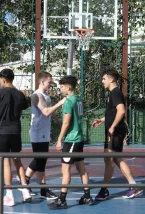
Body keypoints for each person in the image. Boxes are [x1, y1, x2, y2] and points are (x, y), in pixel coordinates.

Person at [92, 68, 143, 200]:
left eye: (104, 79)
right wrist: (102, 120)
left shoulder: (115, 92)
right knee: (109, 159)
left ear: (111, 79)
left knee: (114, 158)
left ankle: (133, 186)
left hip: (115, 130)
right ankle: (104, 190)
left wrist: (113, 126)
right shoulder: (114, 93)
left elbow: (121, 111)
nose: (102, 81)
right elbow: (115, 112)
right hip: (113, 129)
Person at [0, 68, 31, 206]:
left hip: (3, 132)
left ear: (3, 80)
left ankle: (9, 195)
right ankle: (25, 190)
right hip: (15, 131)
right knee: (17, 161)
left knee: (5, 163)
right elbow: (22, 108)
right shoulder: (19, 94)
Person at [47, 75, 94, 210]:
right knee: (81, 168)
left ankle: (62, 200)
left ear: (68, 87)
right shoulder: (78, 99)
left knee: (65, 169)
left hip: (71, 140)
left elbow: (66, 122)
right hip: (79, 138)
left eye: (62, 86)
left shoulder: (68, 102)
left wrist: (59, 139)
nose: (61, 88)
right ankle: (87, 196)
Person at [24, 71, 66, 200]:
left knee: (41, 160)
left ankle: (27, 183)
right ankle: (33, 185)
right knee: (40, 160)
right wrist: (61, 102)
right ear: (42, 82)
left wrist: (59, 120)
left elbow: (50, 111)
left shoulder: (46, 95)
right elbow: (46, 112)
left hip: (44, 132)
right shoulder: (36, 96)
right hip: (37, 132)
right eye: (49, 82)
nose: (51, 85)